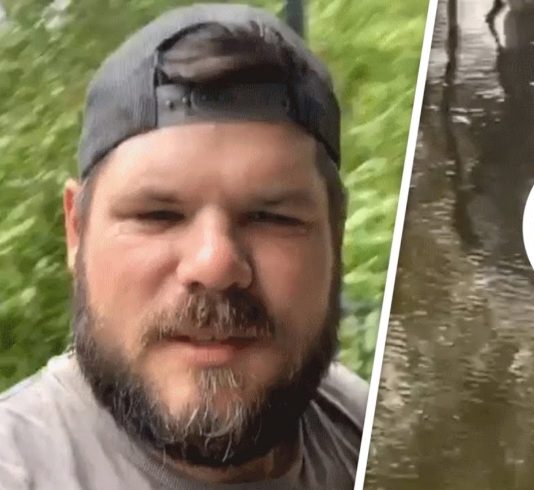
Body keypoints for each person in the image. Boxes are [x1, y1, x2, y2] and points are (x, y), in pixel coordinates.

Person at [0, 3, 369, 489]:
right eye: (157, 215)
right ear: (77, 231)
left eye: (272, 217)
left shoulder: (374, 432)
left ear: (334, 235)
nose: (215, 263)